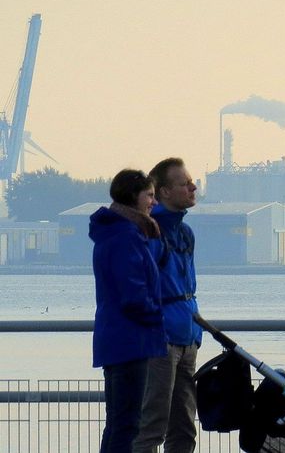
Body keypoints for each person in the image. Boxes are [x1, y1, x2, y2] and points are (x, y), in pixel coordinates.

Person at [91, 169, 167, 453]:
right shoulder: (127, 237)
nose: (153, 203)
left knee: (118, 422)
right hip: (131, 341)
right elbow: (133, 294)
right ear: (133, 197)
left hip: (115, 339)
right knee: (128, 424)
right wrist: (157, 316)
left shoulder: (113, 233)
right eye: (149, 195)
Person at [134, 158, 201, 453]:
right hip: (162, 340)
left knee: (184, 427)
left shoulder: (185, 233)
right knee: (153, 425)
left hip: (187, 337)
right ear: (163, 192)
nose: (192, 187)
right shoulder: (152, 231)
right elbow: (142, 285)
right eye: (184, 183)